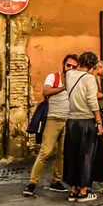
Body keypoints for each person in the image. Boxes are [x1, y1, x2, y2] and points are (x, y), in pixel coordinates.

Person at [23, 54, 79, 196]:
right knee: (45, 152)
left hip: (69, 119)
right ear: (63, 65)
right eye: (68, 65)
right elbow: (45, 91)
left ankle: (56, 181)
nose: (70, 68)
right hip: (53, 119)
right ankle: (32, 183)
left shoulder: (76, 80)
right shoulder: (53, 77)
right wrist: (63, 88)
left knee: (62, 153)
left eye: (74, 66)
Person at [63, 52, 103, 202]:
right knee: (86, 155)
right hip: (86, 121)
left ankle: (73, 190)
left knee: (72, 155)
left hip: (71, 120)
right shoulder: (89, 79)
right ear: (93, 65)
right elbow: (92, 102)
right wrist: (99, 122)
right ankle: (83, 191)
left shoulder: (69, 75)